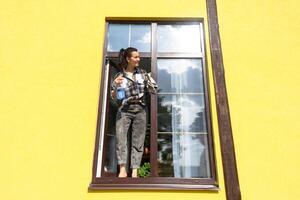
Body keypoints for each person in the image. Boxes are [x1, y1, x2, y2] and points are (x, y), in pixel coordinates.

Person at [111, 47, 157, 178]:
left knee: (138, 141)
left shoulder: (143, 73)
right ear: (128, 59)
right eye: (136, 57)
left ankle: (135, 171)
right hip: (124, 110)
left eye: (139, 57)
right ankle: (122, 169)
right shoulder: (119, 76)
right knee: (121, 139)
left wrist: (150, 81)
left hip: (141, 110)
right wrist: (116, 86)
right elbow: (114, 98)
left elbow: (153, 90)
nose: (139, 59)